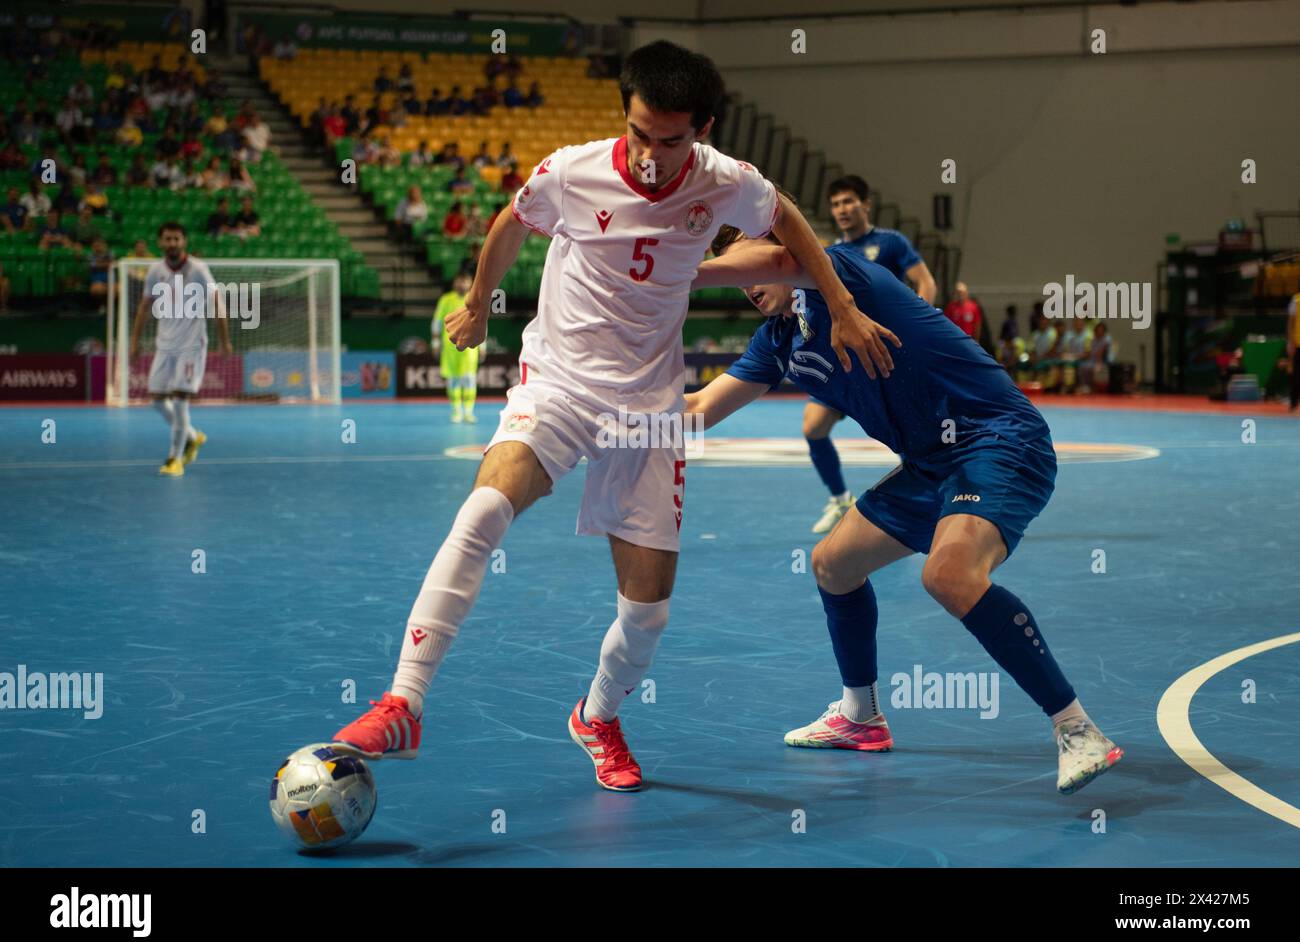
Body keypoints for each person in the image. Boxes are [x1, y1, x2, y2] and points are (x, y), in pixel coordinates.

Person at [331, 40, 894, 794]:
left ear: (703, 129)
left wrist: (845, 307)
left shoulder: (726, 182)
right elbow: (510, 221)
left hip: (650, 408)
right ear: (623, 115)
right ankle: (404, 700)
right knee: (482, 513)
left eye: (672, 140)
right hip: (559, 383)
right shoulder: (572, 170)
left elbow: (788, 220)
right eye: (640, 133)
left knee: (647, 613)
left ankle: (597, 716)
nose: (653, 155)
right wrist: (476, 305)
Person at [685, 209, 1123, 796]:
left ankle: (1076, 728)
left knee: (949, 574)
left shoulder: (843, 277)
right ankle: (860, 716)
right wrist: (602, 420)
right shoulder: (780, 341)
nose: (745, 280)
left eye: (746, 258)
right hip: (930, 464)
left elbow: (785, 259)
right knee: (833, 565)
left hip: (996, 437)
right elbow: (696, 412)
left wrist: (671, 272)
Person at [803, 174, 938, 535]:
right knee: (813, 427)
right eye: (835, 204)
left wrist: (917, 328)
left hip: (887, 357)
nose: (841, 210)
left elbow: (926, 282)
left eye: (848, 201)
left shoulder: (891, 243)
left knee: (906, 438)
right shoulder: (830, 253)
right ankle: (840, 499)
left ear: (866, 204)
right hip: (845, 361)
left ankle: (924, 504)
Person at [128, 222, 233, 476]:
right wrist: (134, 342)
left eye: (176, 238)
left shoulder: (198, 269)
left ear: (184, 241)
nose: (172, 243)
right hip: (165, 345)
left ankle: (174, 459)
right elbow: (144, 307)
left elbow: (217, 303)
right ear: (160, 243)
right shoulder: (154, 271)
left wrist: (224, 340)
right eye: (167, 239)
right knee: (156, 401)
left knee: (179, 402)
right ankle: (193, 436)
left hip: (192, 345)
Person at [432, 271, 480, 422]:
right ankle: (456, 411)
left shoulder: (475, 299)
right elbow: (437, 322)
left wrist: (482, 345)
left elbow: (481, 322)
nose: (462, 284)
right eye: (460, 281)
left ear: (471, 283)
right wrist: (435, 343)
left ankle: (469, 411)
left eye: (466, 281)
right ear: (454, 283)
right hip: (450, 347)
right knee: (453, 380)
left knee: (469, 379)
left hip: (470, 348)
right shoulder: (445, 300)